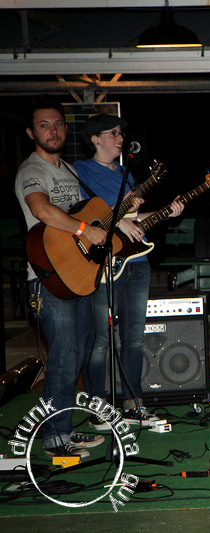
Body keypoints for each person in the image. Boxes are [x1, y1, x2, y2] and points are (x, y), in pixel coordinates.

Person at [73, 114, 184, 426]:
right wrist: (118, 218)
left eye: (120, 132)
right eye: (112, 133)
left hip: (136, 263)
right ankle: (98, 408)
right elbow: (83, 216)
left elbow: (133, 221)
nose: (120, 137)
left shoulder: (125, 173)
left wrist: (167, 212)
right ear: (95, 139)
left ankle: (135, 404)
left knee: (134, 339)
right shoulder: (80, 171)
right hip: (103, 266)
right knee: (101, 340)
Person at [13, 97, 108, 457]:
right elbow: (41, 210)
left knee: (75, 355)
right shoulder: (32, 170)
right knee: (65, 358)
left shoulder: (69, 170)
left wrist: (111, 220)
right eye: (43, 125)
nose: (52, 131)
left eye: (57, 124)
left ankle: (62, 428)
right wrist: (85, 230)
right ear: (31, 133)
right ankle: (55, 439)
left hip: (75, 275)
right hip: (48, 279)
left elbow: (85, 215)